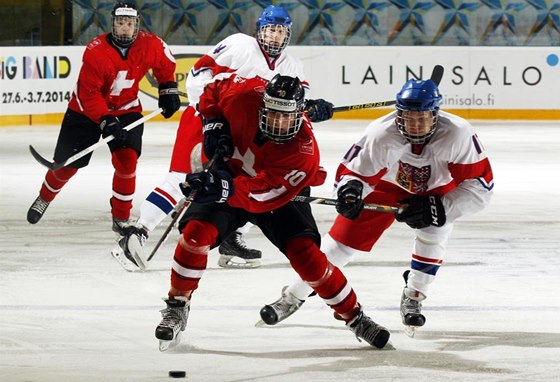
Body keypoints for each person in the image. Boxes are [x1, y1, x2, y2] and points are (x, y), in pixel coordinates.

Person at [153, 73, 389, 352]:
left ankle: (354, 316)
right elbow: (213, 90)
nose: (278, 122)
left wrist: (220, 186)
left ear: (301, 115)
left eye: (286, 116)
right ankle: (178, 305)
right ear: (262, 105)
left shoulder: (303, 152)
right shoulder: (245, 94)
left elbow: (258, 196)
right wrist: (214, 124)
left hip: (274, 195)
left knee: (308, 258)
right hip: (228, 176)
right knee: (194, 237)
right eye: (273, 113)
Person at [258, 78, 494, 336]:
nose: (415, 125)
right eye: (408, 118)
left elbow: (481, 188)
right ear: (398, 115)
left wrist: (442, 207)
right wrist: (350, 191)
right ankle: (293, 296)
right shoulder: (381, 133)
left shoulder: (458, 134)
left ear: (436, 115)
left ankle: (414, 294)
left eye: (422, 118)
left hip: (435, 189)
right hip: (384, 186)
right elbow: (352, 173)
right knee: (337, 246)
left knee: (434, 234)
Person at [115, 5, 334, 271]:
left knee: (248, 183)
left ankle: (231, 236)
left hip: (245, 133)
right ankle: (137, 233)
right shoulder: (239, 45)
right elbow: (198, 75)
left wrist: (313, 107)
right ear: (260, 30)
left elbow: (295, 106)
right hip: (206, 119)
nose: (275, 36)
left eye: (280, 31)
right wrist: (214, 121)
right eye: (270, 30)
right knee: (182, 178)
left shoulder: (293, 65)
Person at [26, 2, 181, 244]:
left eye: (129, 23)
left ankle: (121, 218)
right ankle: (44, 197)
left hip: (127, 111)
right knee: (65, 166)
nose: (124, 28)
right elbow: (89, 94)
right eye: (120, 23)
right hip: (85, 113)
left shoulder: (151, 44)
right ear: (113, 23)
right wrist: (105, 119)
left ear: (136, 25)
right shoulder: (96, 51)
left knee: (127, 162)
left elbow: (165, 64)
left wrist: (168, 88)